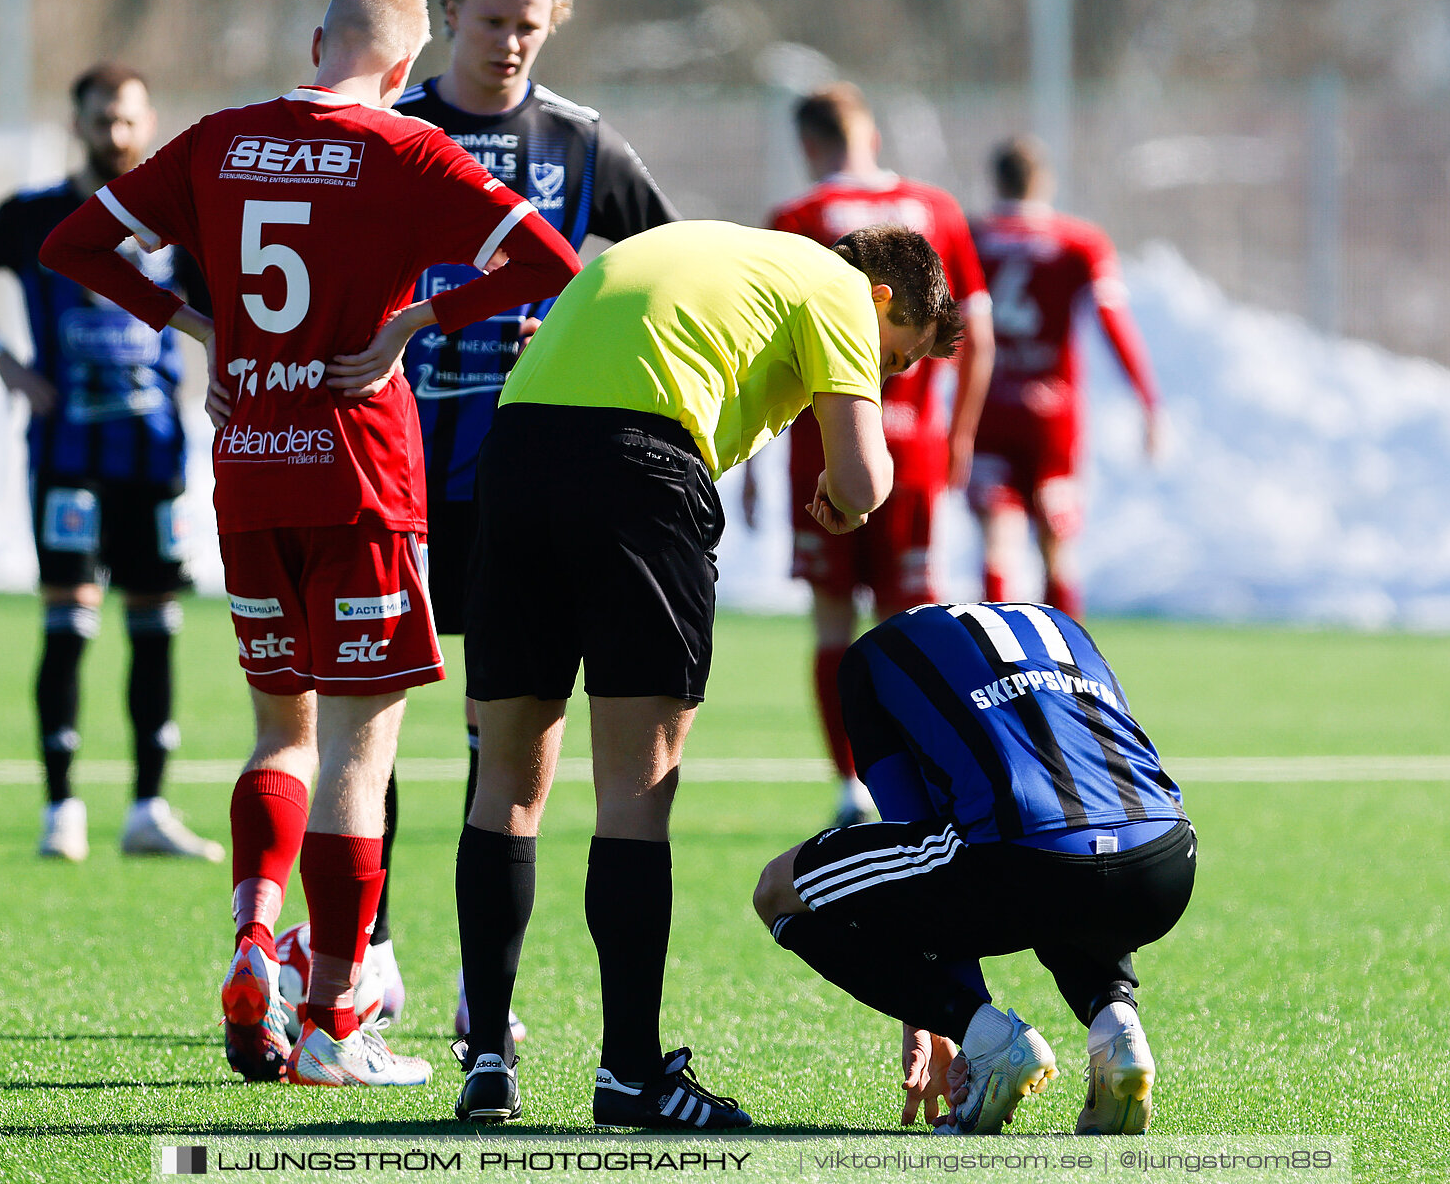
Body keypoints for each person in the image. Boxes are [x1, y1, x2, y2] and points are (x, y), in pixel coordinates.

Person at [38, 0, 582, 1087]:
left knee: (279, 734)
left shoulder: (222, 138)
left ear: (315, 38)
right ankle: (335, 1014)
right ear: (403, 68)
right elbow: (550, 263)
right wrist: (410, 324)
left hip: (249, 476)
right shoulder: (410, 148)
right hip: (361, 479)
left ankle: (254, 933)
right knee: (356, 751)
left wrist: (197, 324)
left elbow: (76, 246)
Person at [394, 218, 963, 1128]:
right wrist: (856, 488)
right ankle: (629, 1074)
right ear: (885, 299)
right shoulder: (841, 289)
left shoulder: (720, 249)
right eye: (897, 361)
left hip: (516, 457)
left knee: (502, 781)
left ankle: (488, 1058)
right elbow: (862, 478)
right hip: (640, 472)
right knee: (634, 791)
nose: (886, 375)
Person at [331, 0, 678, 1030]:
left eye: (530, 24)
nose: (511, 42)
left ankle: (487, 989)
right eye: (492, 20)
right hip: (384, 472)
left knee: (505, 742)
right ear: (449, 18)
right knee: (369, 717)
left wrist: (589, 331)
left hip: (522, 486)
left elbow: (664, 267)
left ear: (554, 25)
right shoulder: (392, 128)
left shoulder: (584, 145)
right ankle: (366, 952)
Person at [0, 64, 222, 864]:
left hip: (154, 451)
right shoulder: (35, 217)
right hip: (68, 454)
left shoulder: (179, 222)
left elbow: (226, 313)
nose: (114, 134)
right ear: (76, 122)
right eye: (100, 120)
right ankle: (62, 807)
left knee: (156, 624)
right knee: (70, 621)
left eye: (127, 120)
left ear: (149, 122)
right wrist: (2, 357)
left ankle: (149, 805)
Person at [753, 601, 1195, 1135]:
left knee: (778, 891)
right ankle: (1116, 1026)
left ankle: (994, 1046)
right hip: (1167, 862)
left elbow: (911, 836)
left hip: (1027, 866)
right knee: (1067, 852)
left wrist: (955, 1017)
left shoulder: (870, 657)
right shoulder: (1061, 624)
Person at [751, 83, 993, 830]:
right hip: (912, 450)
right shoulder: (938, 210)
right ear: (872, 135)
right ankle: (926, 772)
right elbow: (976, 337)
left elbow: (770, 347)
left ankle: (850, 786)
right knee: (911, 624)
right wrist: (960, 438)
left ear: (809, 143)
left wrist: (756, 466)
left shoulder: (797, 218)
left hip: (818, 449)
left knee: (831, 623)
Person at [969, 136, 1158, 618]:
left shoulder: (971, 237)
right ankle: (1066, 665)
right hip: (1052, 415)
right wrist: (1147, 400)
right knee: (1057, 546)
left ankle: (995, 665)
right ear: (1045, 180)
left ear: (996, 179)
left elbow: (944, 324)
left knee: (997, 539)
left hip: (989, 409)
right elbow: (1113, 323)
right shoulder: (1079, 241)